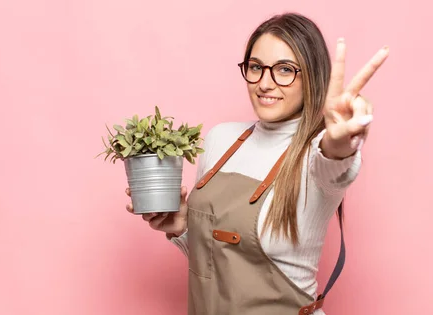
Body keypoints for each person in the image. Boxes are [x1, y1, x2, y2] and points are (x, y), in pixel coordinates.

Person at [125, 12, 388, 315]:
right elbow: (216, 266)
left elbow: (335, 162)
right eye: (256, 67)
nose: (265, 83)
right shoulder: (220, 140)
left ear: (312, 75)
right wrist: (184, 226)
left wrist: (342, 141)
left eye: (285, 70)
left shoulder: (316, 154)